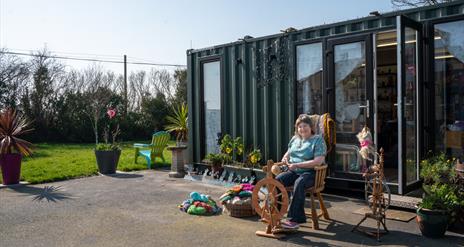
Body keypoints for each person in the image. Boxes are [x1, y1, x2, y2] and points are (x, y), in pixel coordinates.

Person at [276, 114, 327, 229]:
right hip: (294, 171)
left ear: (311, 127)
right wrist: (285, 159)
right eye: (299, 127)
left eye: (305, 126)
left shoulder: (318, 140)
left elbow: (318, 161)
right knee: (278, 180)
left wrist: (297, 164)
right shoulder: (295, 139)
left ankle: (294, 219)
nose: (302, 129)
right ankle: (277, 213)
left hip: (311, 173)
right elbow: (288, 153)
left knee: (299, 183)